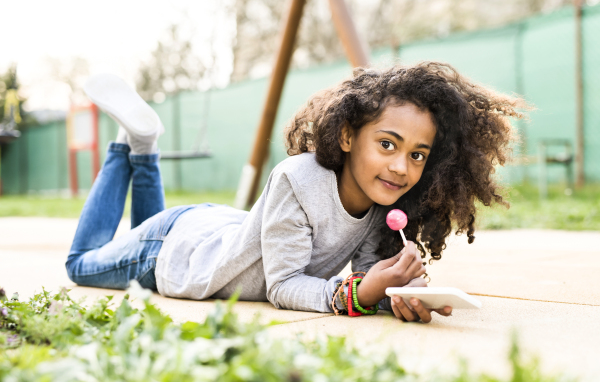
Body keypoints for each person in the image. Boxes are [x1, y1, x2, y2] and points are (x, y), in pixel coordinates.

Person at [66, 63, 523, 323]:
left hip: (212, 230)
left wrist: (398, 292)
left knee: (143, 222)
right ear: (346, 135)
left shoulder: (381, 201)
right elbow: (284, 287)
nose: (402, 167)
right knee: (81, 262)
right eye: (387, 144)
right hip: (171, 250)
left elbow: (361, 282)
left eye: (418, 155)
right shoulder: (297, 179)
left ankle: (144, 150)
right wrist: (363, 292)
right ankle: (138, 146)